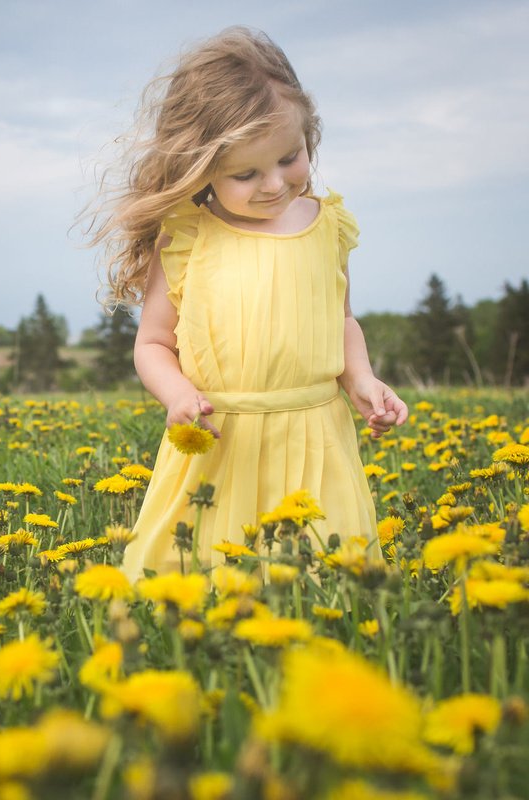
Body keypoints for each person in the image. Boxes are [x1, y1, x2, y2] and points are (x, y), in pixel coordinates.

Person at [87, 26, 409, 579]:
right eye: (245, 173)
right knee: (205, 580)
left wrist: (361, 379)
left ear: (310, 137)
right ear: (201, 166)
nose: (274, 184)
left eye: (290, 157)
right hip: (222, 441)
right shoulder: (189, 235)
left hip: (315, 437)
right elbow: (154, 342)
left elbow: (342, 319)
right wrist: (177, 395)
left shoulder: (327, 226)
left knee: (324, 580)